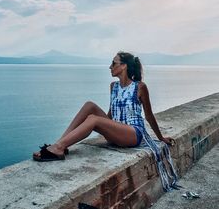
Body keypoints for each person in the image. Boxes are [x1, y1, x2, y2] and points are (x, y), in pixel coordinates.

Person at [33, 51, 177, 191]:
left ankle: (58, 148)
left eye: (113, 63)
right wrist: (104, 123)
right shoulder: (113, 87)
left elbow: (149, 115)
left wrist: (160, 137)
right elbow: (111, 113)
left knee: (93, 119)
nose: (110, 66)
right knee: (89, 106)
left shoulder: (139, 87)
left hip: (133, 133)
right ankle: (61, 144)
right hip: (117, 132)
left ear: (124, 66)